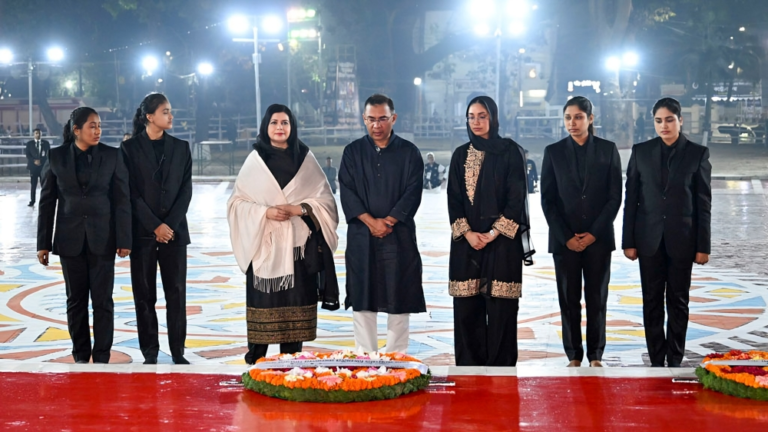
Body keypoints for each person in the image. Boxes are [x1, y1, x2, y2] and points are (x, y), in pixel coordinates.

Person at [228, 104, 340, 364]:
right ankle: (257, 360)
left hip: (298, 250)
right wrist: (265, 213)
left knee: (296, 305)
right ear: (266, 127)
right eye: (274, 122)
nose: (280, 127)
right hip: (264, 247)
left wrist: (299, 208)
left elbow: (326, 202)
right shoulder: (255, 161)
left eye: (285, 123)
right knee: (263, 305)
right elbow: (236, 204)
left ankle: (291, 361)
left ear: (292, 127)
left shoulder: (305, 159)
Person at [36, 107, 132, 364]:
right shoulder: (56, 157)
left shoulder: (113, 156)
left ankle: (102, 355)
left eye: (99, 126)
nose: (98, 130)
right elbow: (47, 202)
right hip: (69, 240)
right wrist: (43, 244)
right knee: (75, 301)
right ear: (76, 130)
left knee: (103, 301)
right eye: (92, 126)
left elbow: (122, 200)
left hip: (104, 239)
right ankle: (80, 354)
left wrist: (124, 239)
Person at [622, 97, 712, 367]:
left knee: (679, 301)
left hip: (683, 240)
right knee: (651, 300)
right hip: (648, 240)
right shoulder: (641, 152)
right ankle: (656, 355)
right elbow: (631, 200)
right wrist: (629, 241)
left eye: (669, 120)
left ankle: (675, 356)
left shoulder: (697, 153)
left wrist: (703, 246)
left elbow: (703, 204)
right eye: (659, 121)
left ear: (680, 121)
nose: (664, 125)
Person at [447, 95, 534, 366]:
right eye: (471, 116)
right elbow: (453, 198)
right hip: (467, 244)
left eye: (482, 116)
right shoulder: (460, 154)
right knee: (466, 309)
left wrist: (494, 233)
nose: (476, 121)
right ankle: (470, 374)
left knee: (502, 311)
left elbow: (516, 198)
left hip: (502, 244)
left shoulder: (510, 151)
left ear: (493, 118)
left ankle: (501, 375)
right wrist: (469, 233)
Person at [540, 96, 622, 368]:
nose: (572, 123)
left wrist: (594, 234)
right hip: (565, 242)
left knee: (597, 299)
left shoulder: (608, 150)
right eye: (567, 118)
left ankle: (596, 355)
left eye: (578, 117)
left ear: (590, 118)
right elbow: (548, 200)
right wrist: (566, 237)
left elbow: (614, 197)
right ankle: (574, 355)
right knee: (568, 300)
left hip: (598, 241)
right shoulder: (553, 152)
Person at [339, 94, 425, 354]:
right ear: (364, 120)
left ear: (393, 118)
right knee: (363, 297)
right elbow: (347, 191)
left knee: (398, 296)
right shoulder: (353, 152)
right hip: (362, 238)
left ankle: (397, 359)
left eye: (383, 119)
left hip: (397, 237)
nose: (377, 125)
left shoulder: (409, 152)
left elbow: (413, 191)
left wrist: (388, 221)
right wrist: (370, 222)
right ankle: (365, 358)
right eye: (371, 120)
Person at [121, 93, 193, 365]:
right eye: (165, 111)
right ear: (150, 116)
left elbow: (185, 192)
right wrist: (154, 226)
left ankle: (178, 351)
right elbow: (130, 193)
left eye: (170, 111)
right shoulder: (128, 150)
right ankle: (149, 351)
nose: (171, 116)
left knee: (176, 293)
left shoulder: (182, 148)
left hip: (174, 235)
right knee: (144, 295)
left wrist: (168, 227)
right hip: (142, 235)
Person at [25, 128, 51, 207]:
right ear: (34, 134)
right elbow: (27, 154)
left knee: (44, 185)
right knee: (33, 185)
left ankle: (45, 200)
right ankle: (32, 201)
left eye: (39, 133)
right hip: (33, 168)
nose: (38, 135)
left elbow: (48, 154)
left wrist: (41, 161)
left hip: (43, 167)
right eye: (36, 133)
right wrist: (34, 161)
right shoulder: (29, 144)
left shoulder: (46, 143)